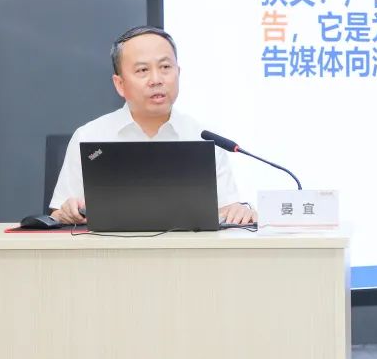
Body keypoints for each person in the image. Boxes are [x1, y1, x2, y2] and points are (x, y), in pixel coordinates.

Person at [49, 26, 256, 226]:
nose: (156, 80)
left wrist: (239, 212)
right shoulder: (90, 136)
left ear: (178, 73)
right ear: (120, 84)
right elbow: (58, 215)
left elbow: (227, 210)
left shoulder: (204, 137)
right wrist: (67, 212)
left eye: (165, 67)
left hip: (186, 250)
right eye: (142, 70)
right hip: (111, 250)